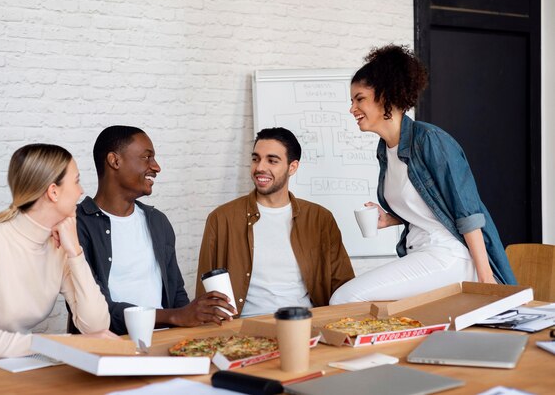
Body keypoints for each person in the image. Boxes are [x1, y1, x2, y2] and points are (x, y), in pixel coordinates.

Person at [330, 44, 516, 304]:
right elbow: (427, 208)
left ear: (385, 96)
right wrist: (391, 219)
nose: (352, 109)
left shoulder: (429, 140)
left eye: (359, 99)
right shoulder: (385, 151)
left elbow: (468, 213)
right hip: (421, 251)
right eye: (352, 101)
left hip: (450, 254)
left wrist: (485, 279)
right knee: (373, 307)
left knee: (345, 297)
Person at [0, 144, 111, 361]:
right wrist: (68, 343)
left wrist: (75, 252)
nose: (81, 191)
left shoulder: (60, 247)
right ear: (53, 192)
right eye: (76, 181)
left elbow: (96, 326)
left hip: (13, 370)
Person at [69, 126, 235, 336]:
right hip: (108, 350)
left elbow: (176, 295)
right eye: (147, 157)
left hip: (162, 344)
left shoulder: (158, 221)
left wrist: (195, 319)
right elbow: (94, 311)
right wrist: (176, 316)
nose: (156, 167)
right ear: (115, 161)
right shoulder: (76, 225)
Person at [196, 127, 355, 317]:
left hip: (305, 324)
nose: (260, 167)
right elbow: (205, 295)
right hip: (243, 330)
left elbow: (343, 285)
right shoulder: (222, 219)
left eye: (272, 160)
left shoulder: (320, 218)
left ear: (292, 167)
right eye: (256, 159)